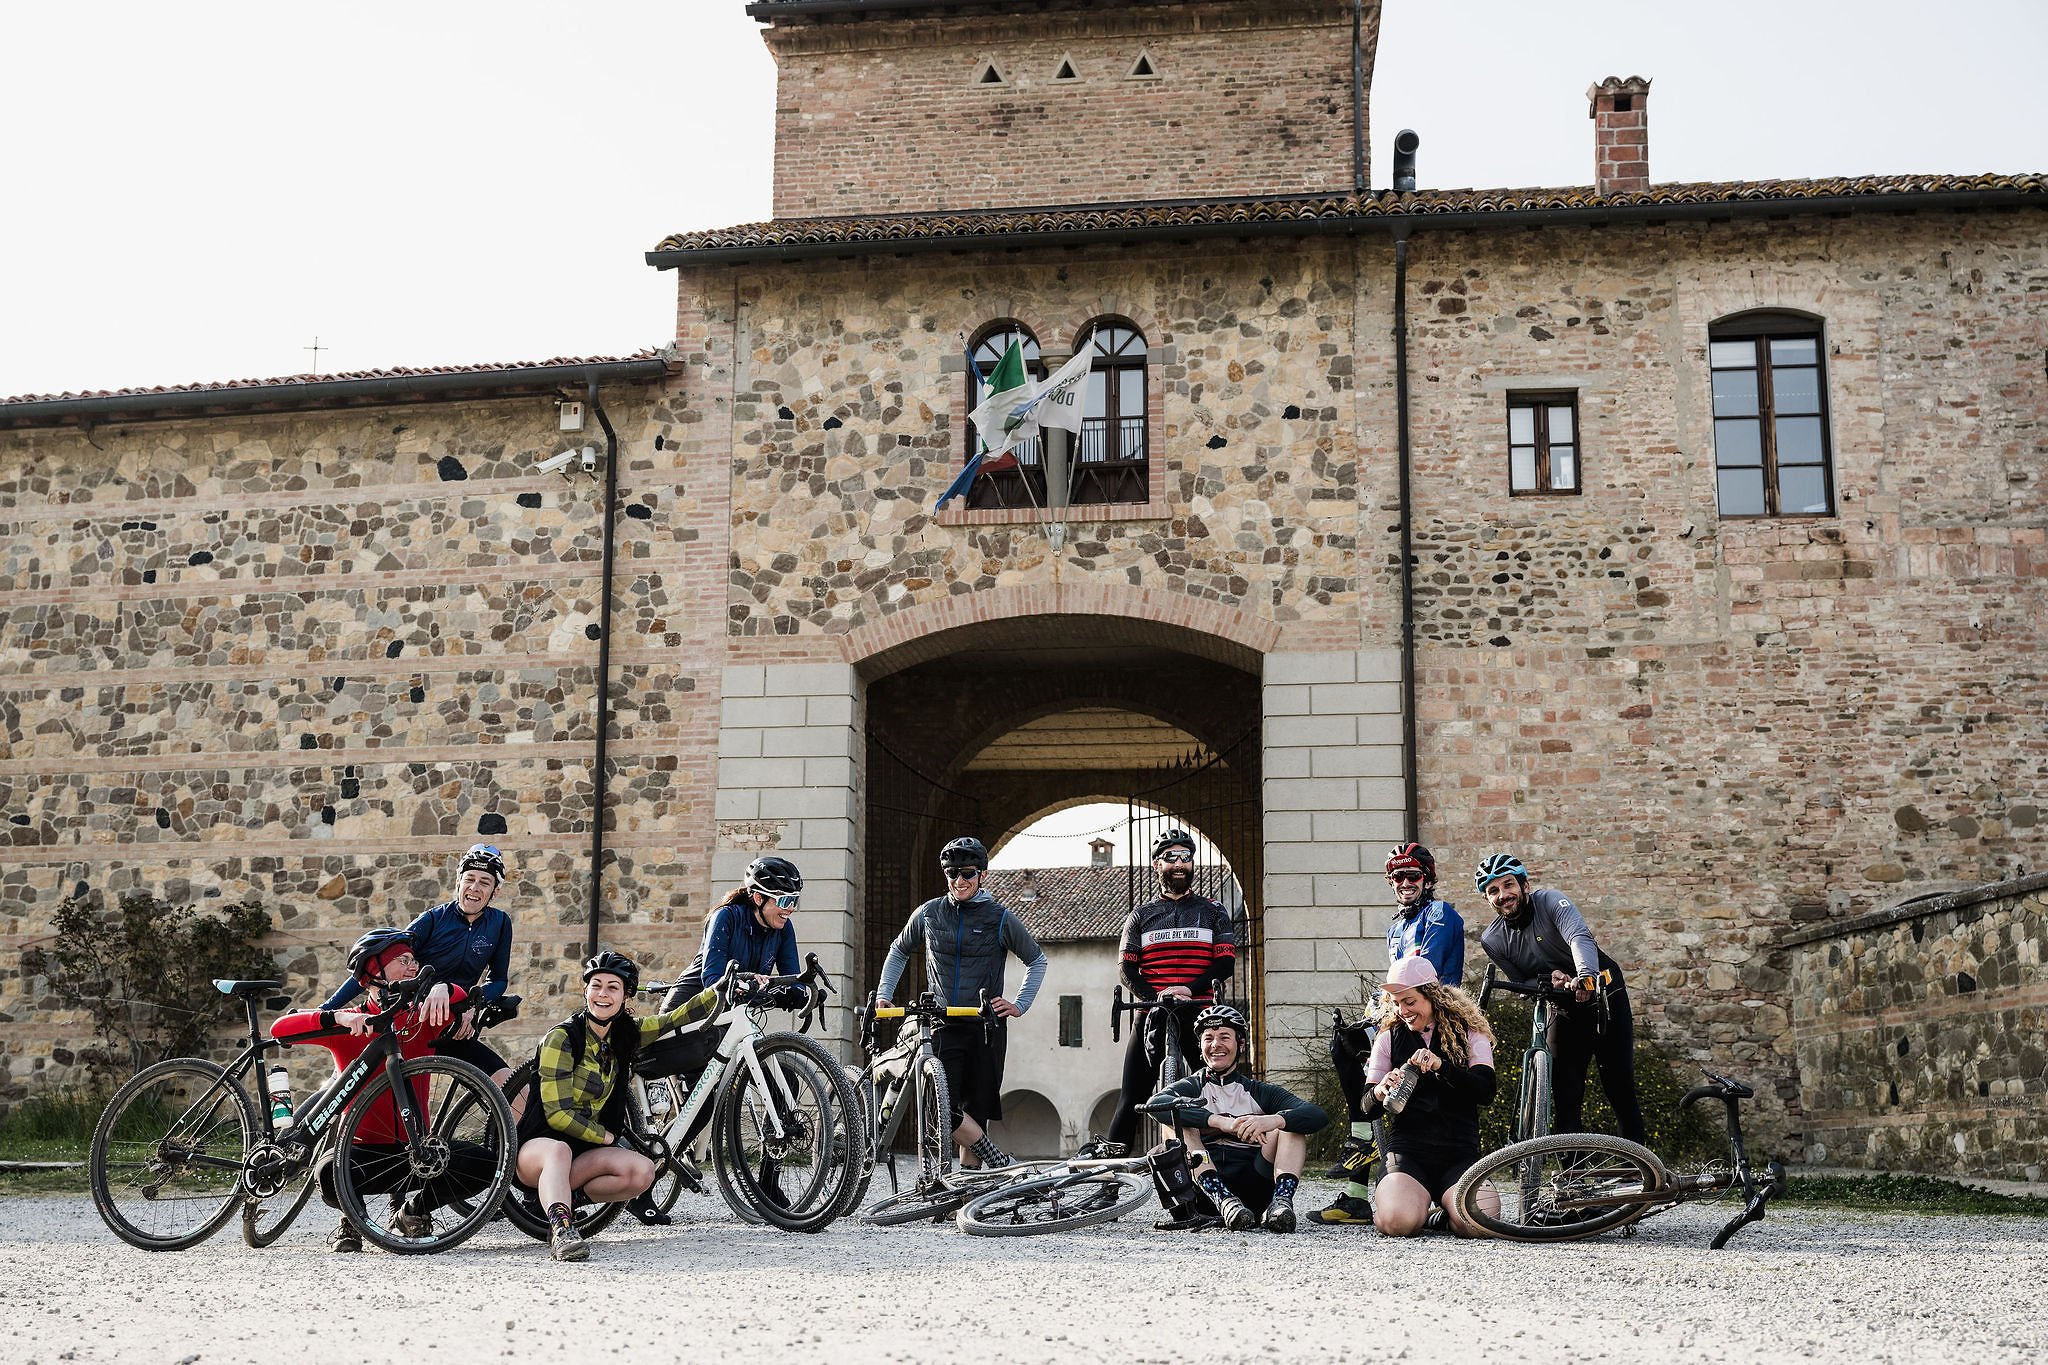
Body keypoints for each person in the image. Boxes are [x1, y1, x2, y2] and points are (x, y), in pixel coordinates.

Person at [270, 927, 502, 1253]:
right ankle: (352, 1222)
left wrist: (442, 988)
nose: (413, 966)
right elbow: (280, 1028)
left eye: (414, 959)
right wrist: (335, 1016)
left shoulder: (420, 1018)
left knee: (484, 1164)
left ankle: (413, 1213)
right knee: (328, 1173)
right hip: (364, 1155)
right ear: (372, 974)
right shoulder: (352, 1020)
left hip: (417, 1153)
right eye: (402, 960)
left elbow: (462, 999)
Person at [513, 950, 720, 1261]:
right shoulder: (563, 1038)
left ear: (626, 996)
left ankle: (564, 1199)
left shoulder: (625, 1033)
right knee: (560, 1150)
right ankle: (561, 1229)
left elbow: (673, 1020)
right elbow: (556, 1116)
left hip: (583, 1157)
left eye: (613, 987)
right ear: (585, 991)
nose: (603, 994)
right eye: (596, 985)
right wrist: (607, 1138)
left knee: (641, 1171)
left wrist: (719, 992)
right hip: (538, 1151)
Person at [874, 835, 1047, 1170]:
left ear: (982, 875)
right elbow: (898, 950)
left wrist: (1019, 1003)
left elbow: (1036, 961)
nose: (959, 881)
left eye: (967, 873)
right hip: (942, 1023)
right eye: (952, 874)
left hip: (986, 1026)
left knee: (976, 1110)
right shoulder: (928, 913)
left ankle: (967, 1194)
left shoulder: (999, 918)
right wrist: (885, 993)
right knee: (944, 1107)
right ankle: (996, 1160)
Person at [1315, 840, 1465, 1226]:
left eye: (1412, 874)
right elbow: (1396, 983)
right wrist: (1376, 1009)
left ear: (1427, 878)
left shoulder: (1440, 914)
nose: (1404, 882)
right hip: (1405, 1012)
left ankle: (1362, 1152)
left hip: (1440, 1014)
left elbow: (1422, 974)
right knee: (1345, 1046)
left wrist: (1386, 1009)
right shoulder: (1396, 927)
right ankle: (1360, 1162)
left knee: (1353, 1049)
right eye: (1397, 876)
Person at [1473, 851, 1646, 1144]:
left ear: (1524, 886)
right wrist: (1550, 978)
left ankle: (1638, 1170)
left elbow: (1579, 936)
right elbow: (1520, 980)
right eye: (1493, 891)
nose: (1503, 894)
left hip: (1603, 993)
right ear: (1487, 899)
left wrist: (1585, 976)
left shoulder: (1550, 901)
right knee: (1565, 1093)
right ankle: (1570, 1173)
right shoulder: (1493, 940)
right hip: (1561, 1005)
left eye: (1508, 885)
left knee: (1618, 1085)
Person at [1086, 827, 1237, 1159]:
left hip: (1201, 1013)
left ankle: (1221, 1164)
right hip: (1153, 1010)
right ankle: (1111, 1182)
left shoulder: (1213, 911)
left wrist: (1187, 988)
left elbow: (1225, 962)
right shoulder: (1140, 916)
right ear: (1157, 865)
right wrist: (1157, 993)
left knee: (1216, 1093)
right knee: (1131, 1095)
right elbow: (1126, 969)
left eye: (1186, 857)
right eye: (1171, 857)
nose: (1180, 863)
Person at [321, 843, 515, 1085]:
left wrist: (473, 1004)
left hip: (452, 1025)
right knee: (348, 1092)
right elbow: (378, 966)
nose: (474, 888)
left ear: (495, 892)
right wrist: (327, 1009)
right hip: (410, 1023)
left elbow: (498, 980)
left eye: (484, 882)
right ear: (458, 883)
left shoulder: (500, 924)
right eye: (469, 879)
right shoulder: (433, 919)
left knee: (513, 1089)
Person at [1147, 1003, 1326, 1233]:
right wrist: (1219, 1121)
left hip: (1252, 1186)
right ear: (1200, 1046)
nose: (1215, 1045)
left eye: (1224, 1037)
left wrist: (1273, 1120)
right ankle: (1223, 1200)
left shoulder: (1258, 1091)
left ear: (1240, 1044)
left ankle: (1281, 1204)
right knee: (1175, 1119)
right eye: (1208, 1038)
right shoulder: (1192, 1086)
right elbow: (1155, 1105)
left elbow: (1316, 1115)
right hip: (1201, 1194)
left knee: (1291, 1125)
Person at [1359, 954, 1499, 1237]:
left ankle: (1441, 1217)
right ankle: (1418, 1208)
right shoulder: (1388, 1037)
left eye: (1410, 1001)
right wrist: (1379, 1091)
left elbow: (1485, 1091)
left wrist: (1442, 1067)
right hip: (1408, 1152)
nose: (1403, 1011)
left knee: (1481, 1222)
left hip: (1458, 1152)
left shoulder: (1469, 1031)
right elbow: (1366, 1108)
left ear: (1433, 996)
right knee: (1396, 1222)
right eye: (1396, 1003)